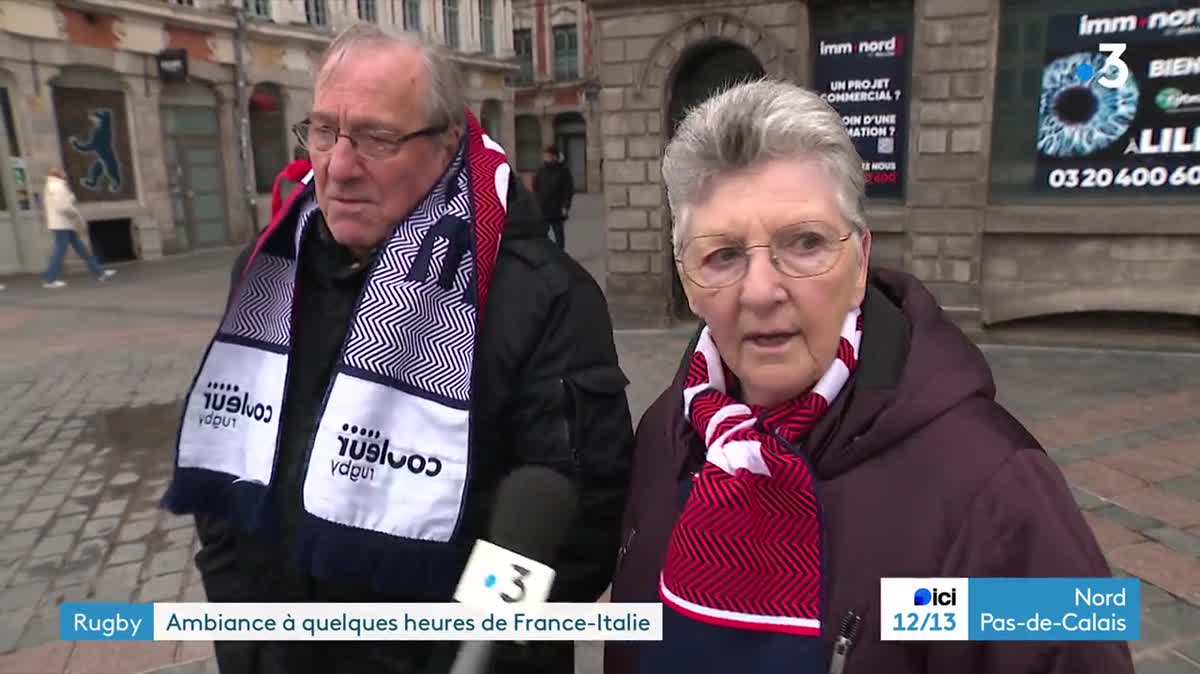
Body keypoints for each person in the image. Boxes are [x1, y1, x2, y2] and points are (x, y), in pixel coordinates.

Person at [605, 80, 1135, 674]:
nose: (759, 291)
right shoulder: (665, 434)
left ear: (859, 262)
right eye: (722, 255)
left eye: (804, 243)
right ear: (687, 279)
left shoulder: (999, 484)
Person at [162, 24, 635, 674]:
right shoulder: (268, 269)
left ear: (445, 146)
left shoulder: (546, 298)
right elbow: (227, 478)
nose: (338, 164)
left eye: (377, 138)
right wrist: (248, 648)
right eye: (324, 130)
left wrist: (467, 646)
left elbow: (575, 535)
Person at [41, 167, 116, 288]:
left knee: (80, 249)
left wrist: (69, 199)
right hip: (62, 224)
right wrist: (74, 212)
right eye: (63, 172)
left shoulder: (52, 186)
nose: (65, 174)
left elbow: (60, 204)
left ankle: (100, 272)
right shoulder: (57, 187)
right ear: (59, 174)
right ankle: (50, 279)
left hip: (63, 224)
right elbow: (63, 207)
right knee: (61, 251)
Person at [533, 145, 574, 251]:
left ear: (555, 157)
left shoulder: (563, 171)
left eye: (549, 156)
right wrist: (536, 204)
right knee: (542, 235)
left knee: (558, 233)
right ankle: (546, 255)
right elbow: (536, 188)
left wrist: (565, 206)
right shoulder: (541, 171)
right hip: (543, 207)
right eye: (545, 156)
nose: (546, 158)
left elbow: (568, 190)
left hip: (557, 208)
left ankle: (561, 254)